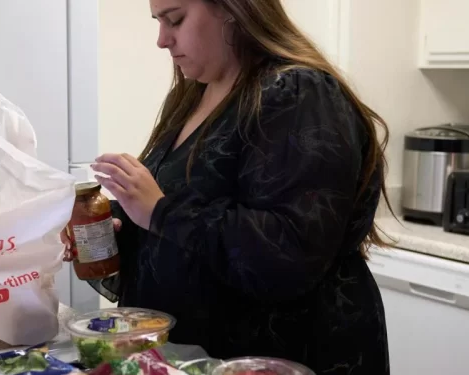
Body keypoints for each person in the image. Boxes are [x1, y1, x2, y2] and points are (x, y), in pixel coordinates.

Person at [63, 0, 393, 373]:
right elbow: (183, 218)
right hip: (198, 354)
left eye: (175, 19)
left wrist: (159, 211)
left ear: (234, 9)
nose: (161, 40)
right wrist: (111, 231)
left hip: (289, 354)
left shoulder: (298, 92)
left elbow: (289, 254)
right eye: (158, 22)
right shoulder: (191, 96)